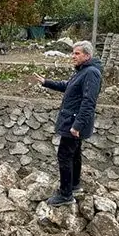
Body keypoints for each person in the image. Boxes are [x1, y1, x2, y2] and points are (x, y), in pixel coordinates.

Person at [34, 40, 103, 207]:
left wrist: (77, 125)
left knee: (64, 155)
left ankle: (66, 194)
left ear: (87, 55)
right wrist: (46, 82)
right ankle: (74, 184)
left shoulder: (91, 73)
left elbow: (88, 102)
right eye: (73, 53)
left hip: (73, 122)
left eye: (77, 53)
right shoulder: (83, 71)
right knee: (75, 153)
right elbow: (69, 86)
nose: (73, 56)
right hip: (72, 120)